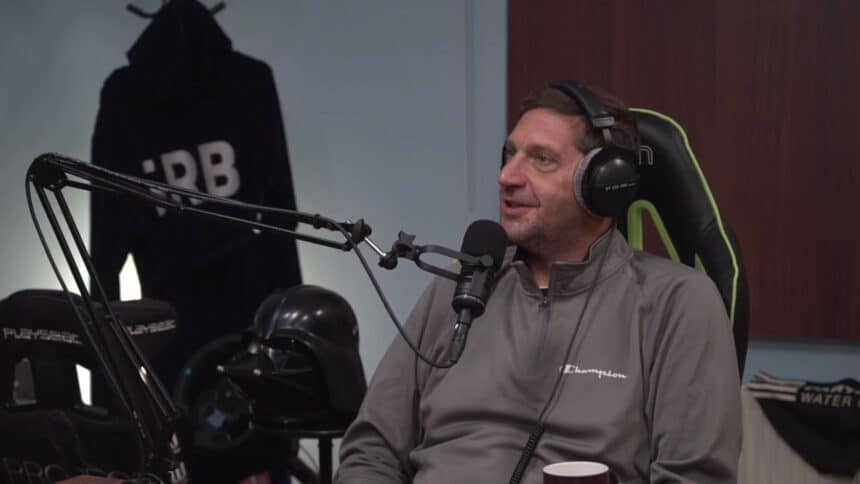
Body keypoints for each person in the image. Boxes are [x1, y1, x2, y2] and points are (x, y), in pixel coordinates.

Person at [335, 82, 741, 483]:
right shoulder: (459, 287)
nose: (507, 176)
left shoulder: (677, 303)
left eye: (542, 159)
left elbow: (694, 478)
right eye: (509, 154)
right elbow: (371, 451)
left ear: (603, 183)